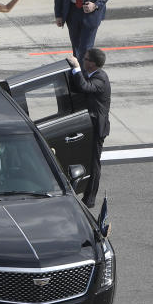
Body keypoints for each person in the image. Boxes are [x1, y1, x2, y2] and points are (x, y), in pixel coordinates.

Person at [65, 49, 111, 208]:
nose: (83, 61)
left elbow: (84, 86)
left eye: (85, 60)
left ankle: (90, 199)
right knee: (88, 160)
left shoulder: (100, 79)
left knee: (93, 163)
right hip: (89, 124)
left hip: (97, 127)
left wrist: (76, 67)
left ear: (92, 63)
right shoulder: (95, 75)